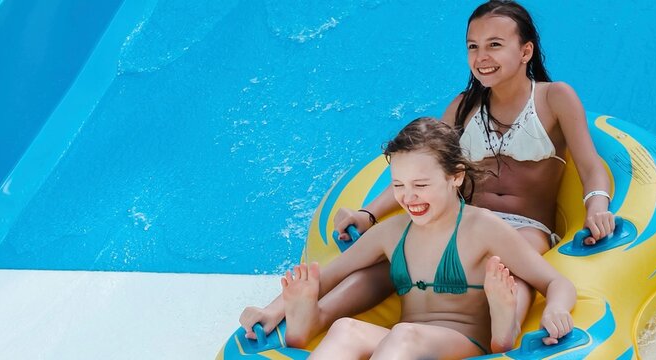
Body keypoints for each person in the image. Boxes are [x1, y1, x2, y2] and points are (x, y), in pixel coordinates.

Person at [240, 0, 614, 352]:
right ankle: (312, 315)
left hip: (525, 226)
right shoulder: (463, 106)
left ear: (525, 51)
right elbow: (426, 169)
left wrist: (597, 206)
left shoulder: (553, 99)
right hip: (459, 221)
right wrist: (368, 214)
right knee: (394, 261)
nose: (481, 57)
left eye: (495, 45)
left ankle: (506, 328)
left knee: (503, 268)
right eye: (473, 47)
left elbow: (590, 165)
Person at [279, 118, 576, 358]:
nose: (409, 197)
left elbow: (555, 282)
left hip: (464, 341)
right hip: (404, 341)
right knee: (345, 329)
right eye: (399, 185)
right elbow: (327, 277)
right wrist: (273, 311)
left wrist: (556, 310)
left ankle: (504, 325)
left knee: (404, 334)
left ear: (455, 177)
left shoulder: (482, 227)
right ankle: (306, 320)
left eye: (420, 184)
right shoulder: (392, 232)